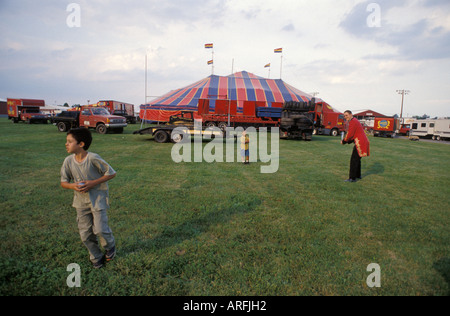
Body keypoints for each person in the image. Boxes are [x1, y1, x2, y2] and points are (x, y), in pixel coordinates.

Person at [61, 128, 117, 269]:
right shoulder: (68, 161)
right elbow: (63, 182)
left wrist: (92, 183)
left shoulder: (92, 158)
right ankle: (96, 256)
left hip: (97, 199)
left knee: (100, 229)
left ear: (81, 144)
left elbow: (111, 173)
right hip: (80, 202)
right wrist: (73, 186)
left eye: (69, 142)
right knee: (85, 233)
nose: (66, 144)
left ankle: (110, 246)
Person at [341, 111, 370, 182]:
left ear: (351, 115)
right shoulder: (355, 121)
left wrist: (344, 141)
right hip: (362, 141)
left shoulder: (353, 121)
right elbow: (353, 134)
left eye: (347, 115)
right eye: (344, 116)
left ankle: (352, 178)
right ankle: (357, 175)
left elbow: (350, 134)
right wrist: (347, 141)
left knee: (354, 160)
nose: (345, 117)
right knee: (357, 159)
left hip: (360, 142)